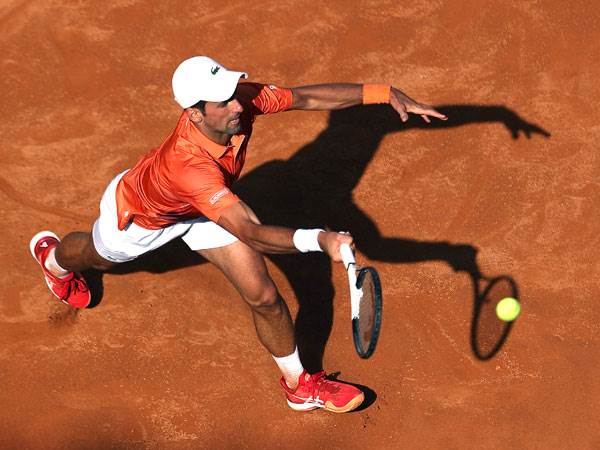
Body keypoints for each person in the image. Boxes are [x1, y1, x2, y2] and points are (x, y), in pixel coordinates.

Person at [30, 56, 447, 413]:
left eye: (234, 91)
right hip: (142, 218)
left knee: (264, 295)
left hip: (208, 207)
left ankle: (299, 386)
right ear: (195, 114)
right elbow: (250, 232)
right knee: (94, 255)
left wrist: (383, 92)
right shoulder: (188, 165)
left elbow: (307, 97)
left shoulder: (239, 101)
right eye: (224, 100)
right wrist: (319, 240)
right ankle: (53, 261)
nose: (238, 104)